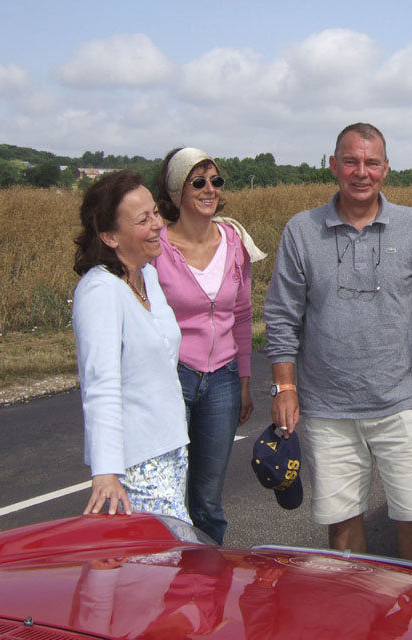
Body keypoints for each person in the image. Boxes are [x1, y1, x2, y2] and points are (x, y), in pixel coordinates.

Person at [262, 122, 412, 564]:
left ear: (386, 168)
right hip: (328, 407)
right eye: (351, 161)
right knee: (344, 522)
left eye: (371, 162)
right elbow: (281, 314)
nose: (360, 172)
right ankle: (358, 617)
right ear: (333, 165)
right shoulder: (301, 230)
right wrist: (285, 388)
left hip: (402, 402)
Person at [153, 147, 267, 544]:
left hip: (222, 378)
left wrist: (245, 380)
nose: (210, 190)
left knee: (208, 501)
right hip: (172, 378)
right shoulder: (156, 248)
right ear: (174, 193)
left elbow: (242, 314)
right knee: (166, 493)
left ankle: (208, 585)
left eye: (215, 182)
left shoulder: (234, 242)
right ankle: (167, 578)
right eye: (198, 182)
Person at [72, 170, 190, 521]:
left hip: (170, 448)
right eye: (143, 220)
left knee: (163, 565)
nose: (158, 224)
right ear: (109, 236)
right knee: (161, 561)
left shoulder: (148, 275)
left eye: (155, 212)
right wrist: (107, 472)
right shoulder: (100, 292)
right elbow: (101, 385)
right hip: (135, 463)